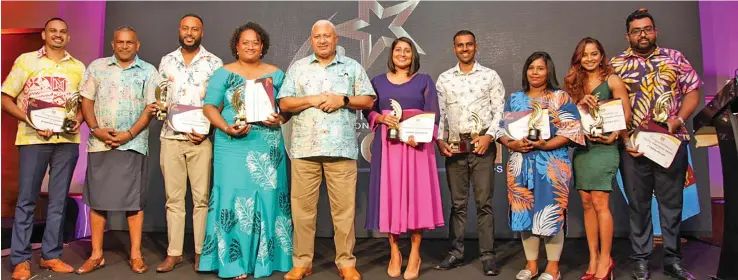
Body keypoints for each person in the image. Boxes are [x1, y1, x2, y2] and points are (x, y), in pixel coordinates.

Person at [277, 19, 376, 280]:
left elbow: (368, 99)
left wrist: (342, 100)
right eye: (317, 36)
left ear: (336, 39)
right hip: (304, 150)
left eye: (327, 36)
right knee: (302, 211)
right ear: (311, 40)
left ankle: (346, 263)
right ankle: (302, 262)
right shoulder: (298, 68)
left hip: (341, 150)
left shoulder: (352, 67)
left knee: (343, 212)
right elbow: (285, 103)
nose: (322, 40)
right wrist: (311, 99)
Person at [611, 9, 701, 280]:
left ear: (655, 31)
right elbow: (611, 107)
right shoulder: (616, 65)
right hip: (634, 146)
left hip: (670, 143)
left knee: (672, 204)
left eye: (647, 29)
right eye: (637, 30)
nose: (642, 34)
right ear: (628, 35)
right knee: (638, 205)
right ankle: (640, 259)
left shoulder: (675, 58)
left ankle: (673, 261)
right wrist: (625, 138)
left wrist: (680, 118)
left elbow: (693, 92)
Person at [197, 22, 292, 279]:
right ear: (236, 47)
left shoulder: (277, 74)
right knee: (231, 198)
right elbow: (209, 107)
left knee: (268, 199)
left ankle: (266, 260)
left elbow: (287, 108)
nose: (250, 46)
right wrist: (226, 128)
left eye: (255, 42)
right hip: (231, 145)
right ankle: (233, 262)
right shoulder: (223, 73)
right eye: (245, 42)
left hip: (267, 145)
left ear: (263, 47)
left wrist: (280, 118)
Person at [1, 17, 85, 280]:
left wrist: (79, 121)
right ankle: (21, 260)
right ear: (44, 35)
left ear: (68, 37)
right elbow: (5, 98)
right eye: (53, 31)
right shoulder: (27, 61)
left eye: (62, 31)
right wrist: (31, 120)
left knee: (58, 201)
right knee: (27, 200)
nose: (58, 35)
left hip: (66, 142)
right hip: (32, 139)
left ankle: (51, 255)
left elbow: (83, 104)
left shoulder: (79, 67)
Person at [75, 26, 159, 275]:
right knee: (98, 201)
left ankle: (135, 254)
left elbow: (151, 107)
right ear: (113, 44)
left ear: (137, 45)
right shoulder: (97, 67)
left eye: (129, 42)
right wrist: (95, 128)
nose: (124, 46)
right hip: (100, 143)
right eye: (120, 42)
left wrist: (129, 134)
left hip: (133, 143)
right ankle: (96, 254)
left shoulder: (149, 71)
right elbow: (86, 100)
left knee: (134, 201)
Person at [497, 51, 584, 280]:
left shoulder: (560, 97)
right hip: (520, 165)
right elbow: (500, 130)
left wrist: (547, 145)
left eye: (540, 68)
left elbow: (573, 129)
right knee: (525, 212)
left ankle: (553, 268)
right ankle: (531, 264)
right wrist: (512, 143)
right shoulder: (515, 99)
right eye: (531, 67)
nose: (534, 72)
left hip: (552, 165)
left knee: (550, 214)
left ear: (549, 71)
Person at [364, 37, 444, 280]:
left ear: (413, 55)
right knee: (391, 197)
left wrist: (420, 136)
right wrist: (379, 118)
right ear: (391, 54)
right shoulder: (377, 81)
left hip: (417, 148)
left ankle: (415, 253)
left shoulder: (424, 81)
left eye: (407, 50)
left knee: (416, 199)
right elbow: (368, 108)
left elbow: (434, 114)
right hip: (389, 148)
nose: (402, 54)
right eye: (398, 50)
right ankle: (395, 252)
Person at [155, 13, 223, 273]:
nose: (190, 33)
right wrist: (160, 106)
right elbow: (161, 95)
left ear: (202, 33)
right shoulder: (166, 61)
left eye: (195, 29)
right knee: (173, 199)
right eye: (186, 28)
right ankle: (174, 253)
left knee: (201, 199)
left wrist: (207, 131)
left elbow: (219, 102)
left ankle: (199, 252)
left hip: (200, 139)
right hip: (170, 137)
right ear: (180, 30)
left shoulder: (214, 63)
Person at [433, 30, 505, 276]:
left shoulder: (490, 76)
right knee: (457, 204)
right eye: (460, 45)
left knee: (484, 203)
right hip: (454, 146)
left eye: (469, 44)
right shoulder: (443, 79)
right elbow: (440, 115)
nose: (465, 49)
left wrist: (489, 136)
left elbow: (500, 112)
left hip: (482, 143)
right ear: (454, 48)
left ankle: (487, 255)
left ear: (476, 46)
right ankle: (456, 252)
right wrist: (440, 142)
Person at [564, 37, 631, 280]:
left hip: (604, 149)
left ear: (601, 56)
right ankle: (592, 257)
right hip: (583, 149)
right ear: (578, 58)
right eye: (585, 54)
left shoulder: (612, 80)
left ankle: (606, 258)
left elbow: (626, 112)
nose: (590, 58)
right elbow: (566, 119)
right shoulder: (574, 83)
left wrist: (614, 135)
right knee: (586, 203)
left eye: (594, 54)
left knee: (601, 202)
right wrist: (579, 103)